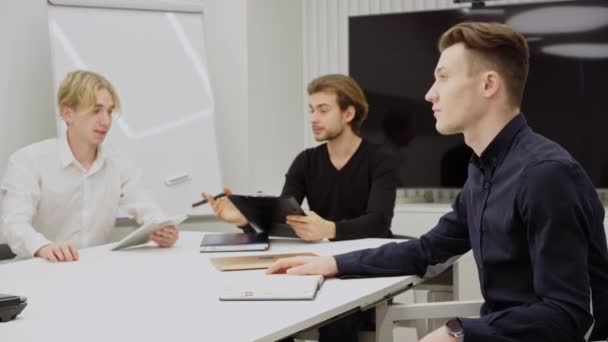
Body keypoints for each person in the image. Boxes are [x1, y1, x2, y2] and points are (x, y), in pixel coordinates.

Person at [267, 22, 608, 342]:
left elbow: (569, 315)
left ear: (489, 84)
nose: (430, 94)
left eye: (443, 77)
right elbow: (427, 250)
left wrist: (459, 333)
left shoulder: (546, 174)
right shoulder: (482, 170)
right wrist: (333, 264)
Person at [203, 74, 398, 341]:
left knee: (336, 320)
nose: (313, 118)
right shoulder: (306, 161)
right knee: (271, 314)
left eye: (323, 110)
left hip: (363, 268)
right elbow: (283, 221)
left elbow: (379, 223)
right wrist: (244, 218)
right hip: (319, 266)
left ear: (348, 113)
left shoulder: (379, 159)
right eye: (311, 110)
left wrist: (328, 228)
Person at [0, 70, 179, 262]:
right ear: (68, 114)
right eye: (96, 110)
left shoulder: (119, 163)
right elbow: (14, 224)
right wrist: (44, 247)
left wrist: (163, 229)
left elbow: (147, 206)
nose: (106, 121)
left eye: (109, 111)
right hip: (38, 272)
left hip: (91, 273)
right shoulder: (29, 160)